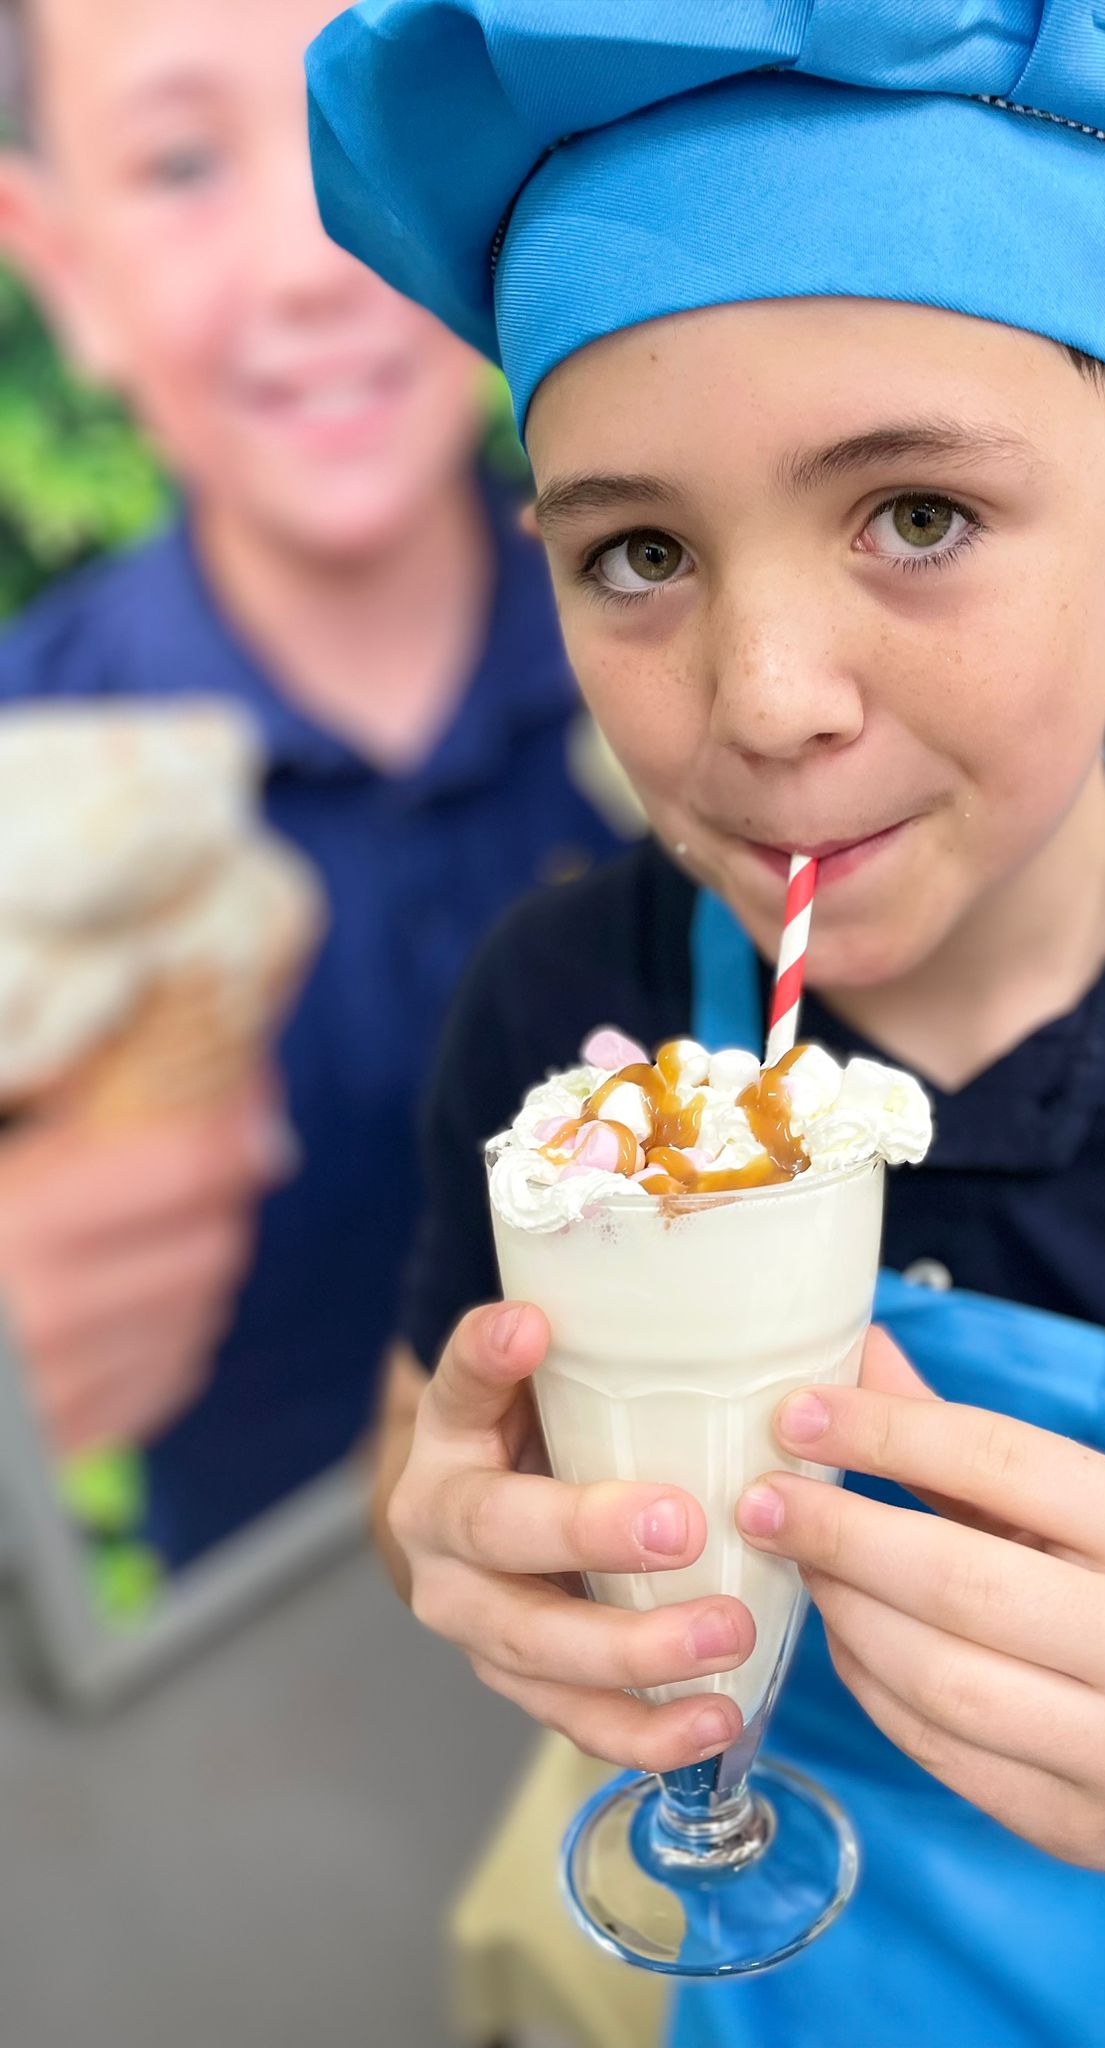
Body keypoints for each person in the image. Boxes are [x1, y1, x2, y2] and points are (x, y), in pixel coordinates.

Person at [309, 4, 1105, 2043]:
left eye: (919, 516)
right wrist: (454, 1537)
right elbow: (407, 1436)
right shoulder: (566, 1022)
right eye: (637, 552)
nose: (768, 691)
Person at [0, 0, 625, 1567]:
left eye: (378, 122)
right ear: (59, 262)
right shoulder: (30, 767)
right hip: (270, 1726)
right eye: (185, 159)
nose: (309, 258)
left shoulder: (704, 683)